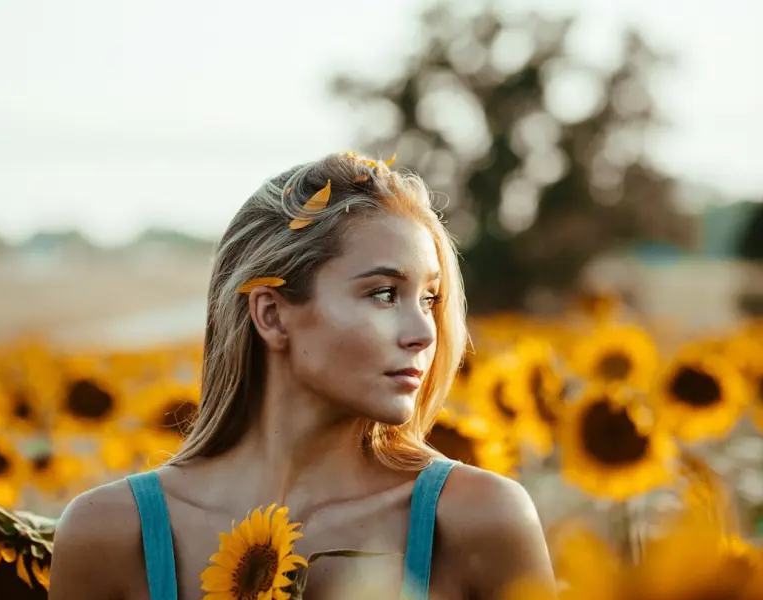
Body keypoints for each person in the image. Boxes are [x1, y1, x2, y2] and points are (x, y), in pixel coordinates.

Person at [49, 152, 556, 600]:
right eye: (384, 293)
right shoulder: (112, 533)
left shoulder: (478, 521)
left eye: (429, 298)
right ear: (271, 315)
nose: (424, 332)